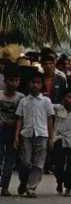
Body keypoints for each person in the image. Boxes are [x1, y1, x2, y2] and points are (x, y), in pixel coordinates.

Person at [15, 70, 55, 197]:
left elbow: (50, 119)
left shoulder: (46, 101)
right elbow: (19, 118)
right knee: (25, 162)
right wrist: (16, 135)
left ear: (41, 84)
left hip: (42, 134)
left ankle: (31, 187)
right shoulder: (23, 101)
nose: (35, 85)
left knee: (39, 163)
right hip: (26, 134)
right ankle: (23, 181)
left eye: (38, 83)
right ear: (28, 84)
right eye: (33, 83)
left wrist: (51, 137)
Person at [0, 65, 23, 196]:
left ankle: (5, 187)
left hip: (14, 132)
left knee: (10, 160)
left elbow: (22, 116)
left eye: (16, 80)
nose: (14, 83)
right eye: (11, 80)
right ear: (5, 81)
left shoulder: (21, 98)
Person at [52, 89, 71, 196]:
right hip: (58, 139)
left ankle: (68, 188)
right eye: (69, 97)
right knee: (57, 165)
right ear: (64, 98)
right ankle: (59, 181)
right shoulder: (57, 108)